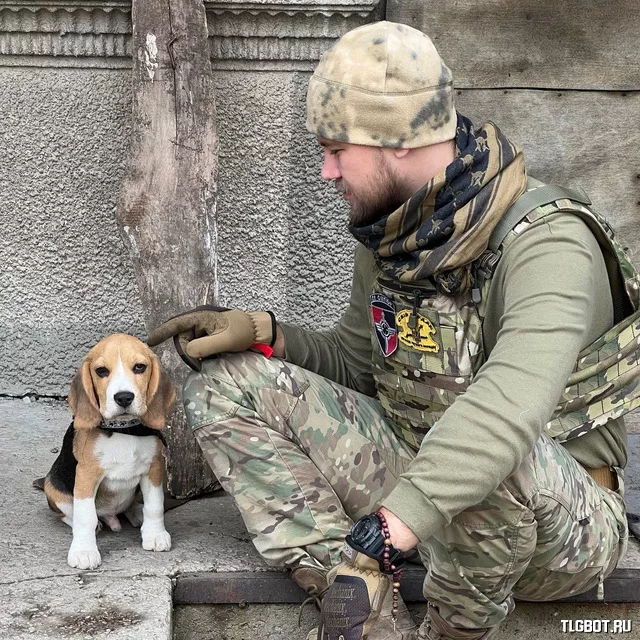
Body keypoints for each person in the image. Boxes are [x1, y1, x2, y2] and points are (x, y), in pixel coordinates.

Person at [147, 20, 634, 640]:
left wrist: (392, 528)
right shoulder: (396, 229)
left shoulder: (548, 241)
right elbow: (358, 365)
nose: (327, 172)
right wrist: (264, 334)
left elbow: (510, 409)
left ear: (395, 141)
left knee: (489, 453)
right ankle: (363, 610)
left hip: (556, 529)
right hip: (414, 493)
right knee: (223, 385)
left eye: (335, 151)